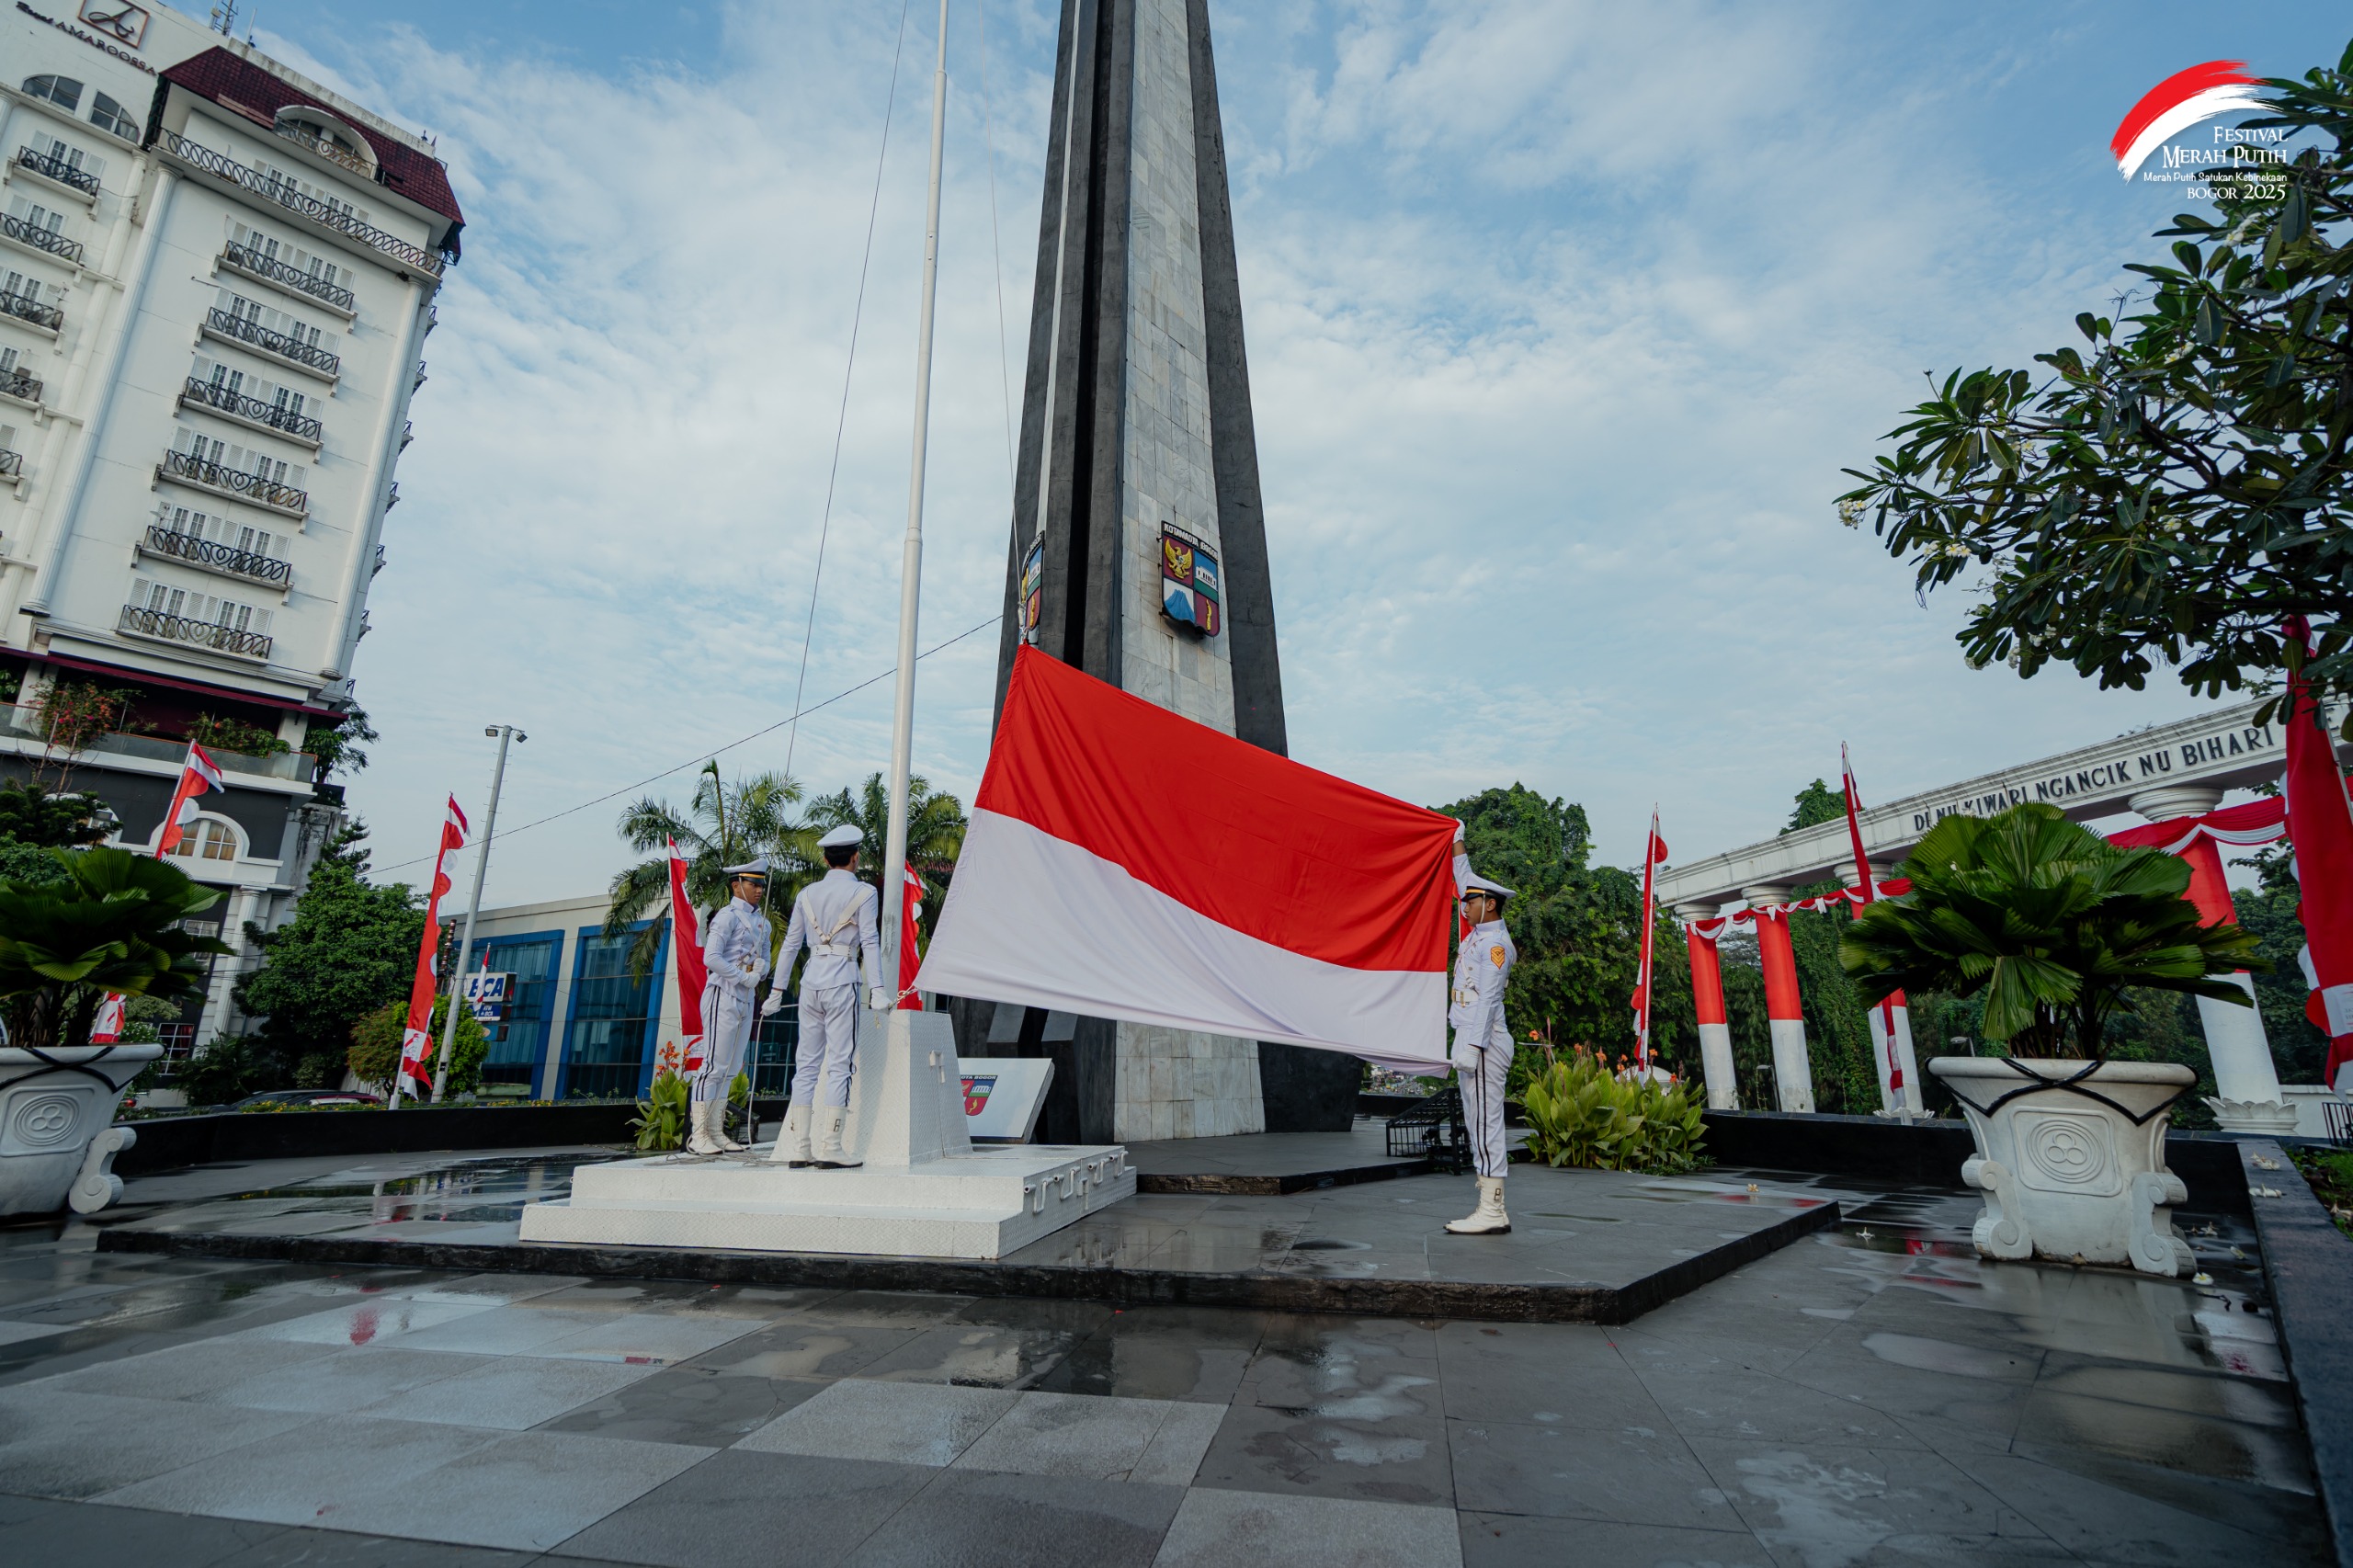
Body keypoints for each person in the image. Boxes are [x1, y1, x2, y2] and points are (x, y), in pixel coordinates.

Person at [763, 824, 880, 1168]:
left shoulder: (806, 894)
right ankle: (832, 1147)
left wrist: (776, 990)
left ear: (827, 859)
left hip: (810, 983)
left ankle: (801, 1147)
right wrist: (880, 990)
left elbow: (789, 945)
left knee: (807, 1066)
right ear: (855, 858)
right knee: (840, 1064)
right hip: (843, 980)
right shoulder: (865, 893)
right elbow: (870, 942)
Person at [1446, 832, 1518, 1234]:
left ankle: (1491, 1210)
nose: (1464, 906)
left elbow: (1488, 1000)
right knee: (1476, 1120)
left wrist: (1472, 1047)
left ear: (1489, 904)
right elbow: (1465, 877)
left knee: (1485, 1123)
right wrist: (1458, 840)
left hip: (1485, 1042)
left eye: (1470, 902)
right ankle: (1493, 1207)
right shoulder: (1480, 930)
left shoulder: (1496, 946)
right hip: (1471, 1036)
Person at [690, 857, 773, 1154]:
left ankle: (715, 1131)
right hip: (723, 994)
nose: (759, 889)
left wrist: (761, 969)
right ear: (737, 885)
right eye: (754, 883)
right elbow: (710, 958)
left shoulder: (763, 923)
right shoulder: (726, 917)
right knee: (713, 1065)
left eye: (762, 884)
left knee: (731, 1068)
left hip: (746, 998)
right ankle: (698, 1134)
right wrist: (742, 975)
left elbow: (765, 960)